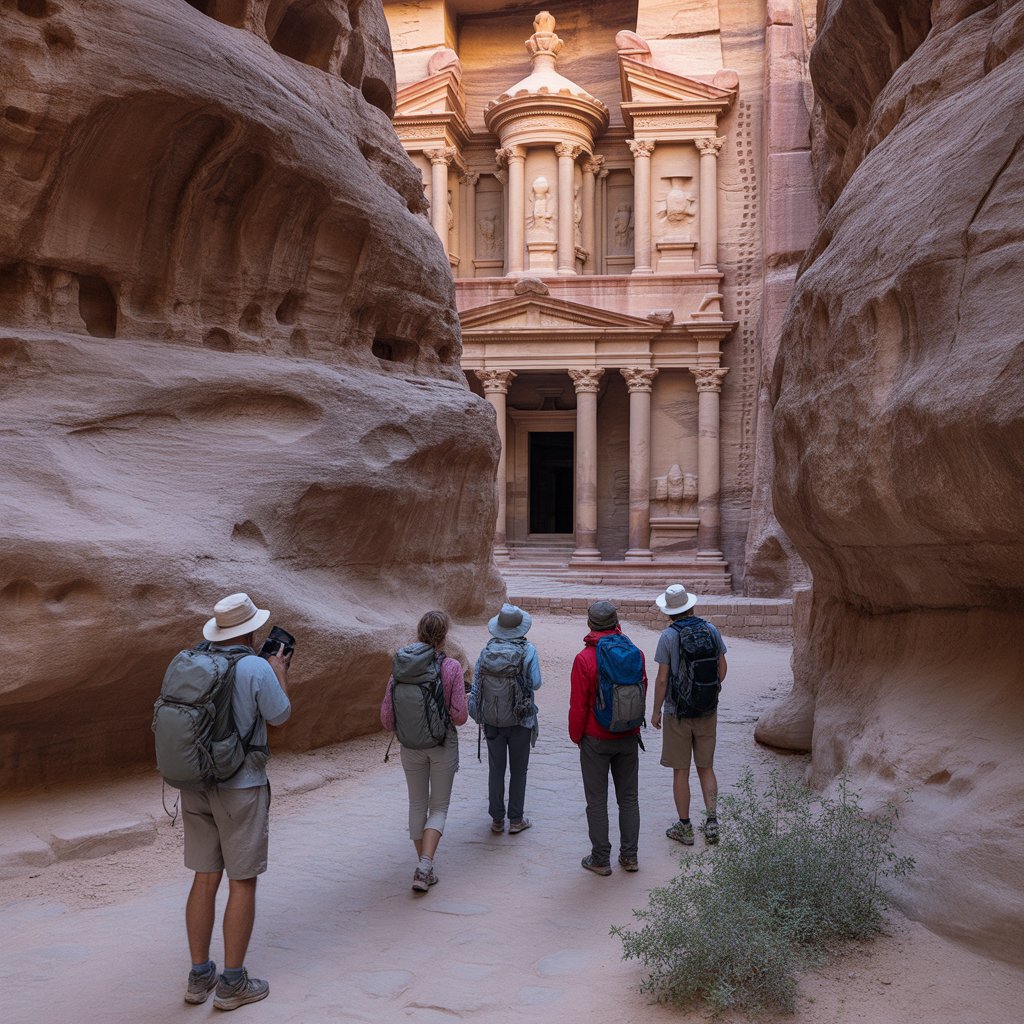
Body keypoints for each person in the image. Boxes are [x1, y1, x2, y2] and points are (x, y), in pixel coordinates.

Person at [180, 592, 292, 1011]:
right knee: (242, 879)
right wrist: (278, 670)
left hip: (194, 781)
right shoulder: (254, 666)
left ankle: (198, 976)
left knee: (204, 877)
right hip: (240, 784)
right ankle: (231, 983)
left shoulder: (192, 660)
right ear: (251, 631)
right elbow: (280, 717)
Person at [380, 610, 468, 892]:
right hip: (442, 744)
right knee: (438, 806)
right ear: (445, 635)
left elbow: (386, 719)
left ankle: (424, 866)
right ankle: (425, 866)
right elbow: (460, 716)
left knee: (417, 804)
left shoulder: (401, 666)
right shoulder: (451, 667)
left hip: (410, 746)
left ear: (418, 632)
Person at [568, 600, 647, 875]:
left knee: (597, 800)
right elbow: (642, 689)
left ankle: (600, 859)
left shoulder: (584, 658)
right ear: (616, 622)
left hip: (595, 737)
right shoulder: (635, 653)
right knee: (628, 799)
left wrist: (576, 736)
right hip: (628, 734)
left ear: (590, 624)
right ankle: (630, 857)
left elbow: (578, 705)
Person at [650, 583, 728, 846]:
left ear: (669, 611)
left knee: (680, 771)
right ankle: (712, 823)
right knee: (706, 767)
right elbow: (722, 666)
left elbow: (662, 679)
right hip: (707, 710)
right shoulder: (711, 629)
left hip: (677, 712)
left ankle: (684, 827)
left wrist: (656, 711)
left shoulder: (668, 637)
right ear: (691, 606)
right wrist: (710, 692)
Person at [468, 603, 543, 835]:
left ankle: (497, 820)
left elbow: (477, 682)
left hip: (492, 719)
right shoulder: (528, 650)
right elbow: (536, 682)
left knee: (496, 769)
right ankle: (516, 820)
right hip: (521, 719)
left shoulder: (486, 651)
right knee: (519, 770)